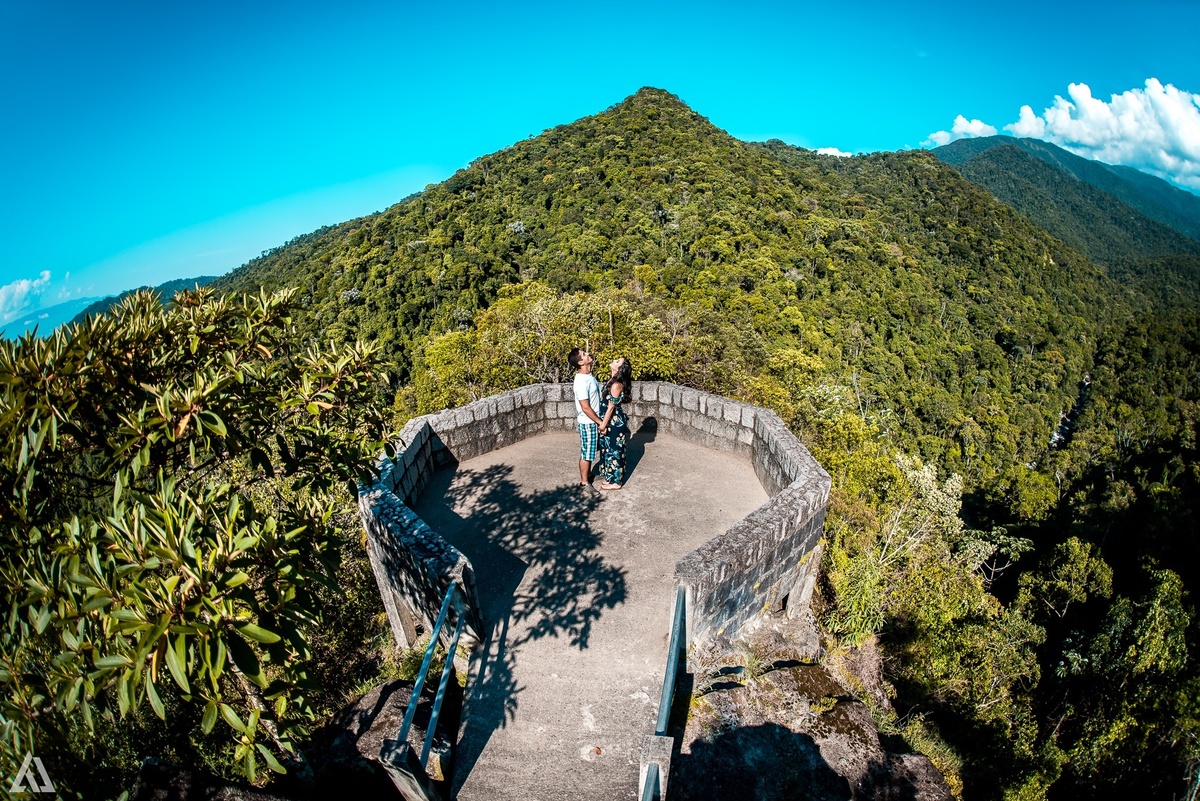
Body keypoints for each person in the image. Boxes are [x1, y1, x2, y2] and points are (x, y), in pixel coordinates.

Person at [569, 347, 604, 495]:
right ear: (581, 362)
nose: (587, 354)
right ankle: (584, 483)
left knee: (591, 451)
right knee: (587, 453)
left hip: (592, 421)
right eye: (584, 354)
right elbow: (585, 407)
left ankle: (588, 475)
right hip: (588, 422)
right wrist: (600, 422)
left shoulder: (589, 376)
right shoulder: (581, 381)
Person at [597, 356, 632, 490]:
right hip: (611, 420)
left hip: (614, 421)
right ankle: (610, 478)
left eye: (618, 361)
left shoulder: (616, 385)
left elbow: (611, 407)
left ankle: (616, 481)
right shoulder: (612, 381)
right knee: (608, 449)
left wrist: (603, 424)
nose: (614, 360)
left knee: (615, 451)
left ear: (620, 369)